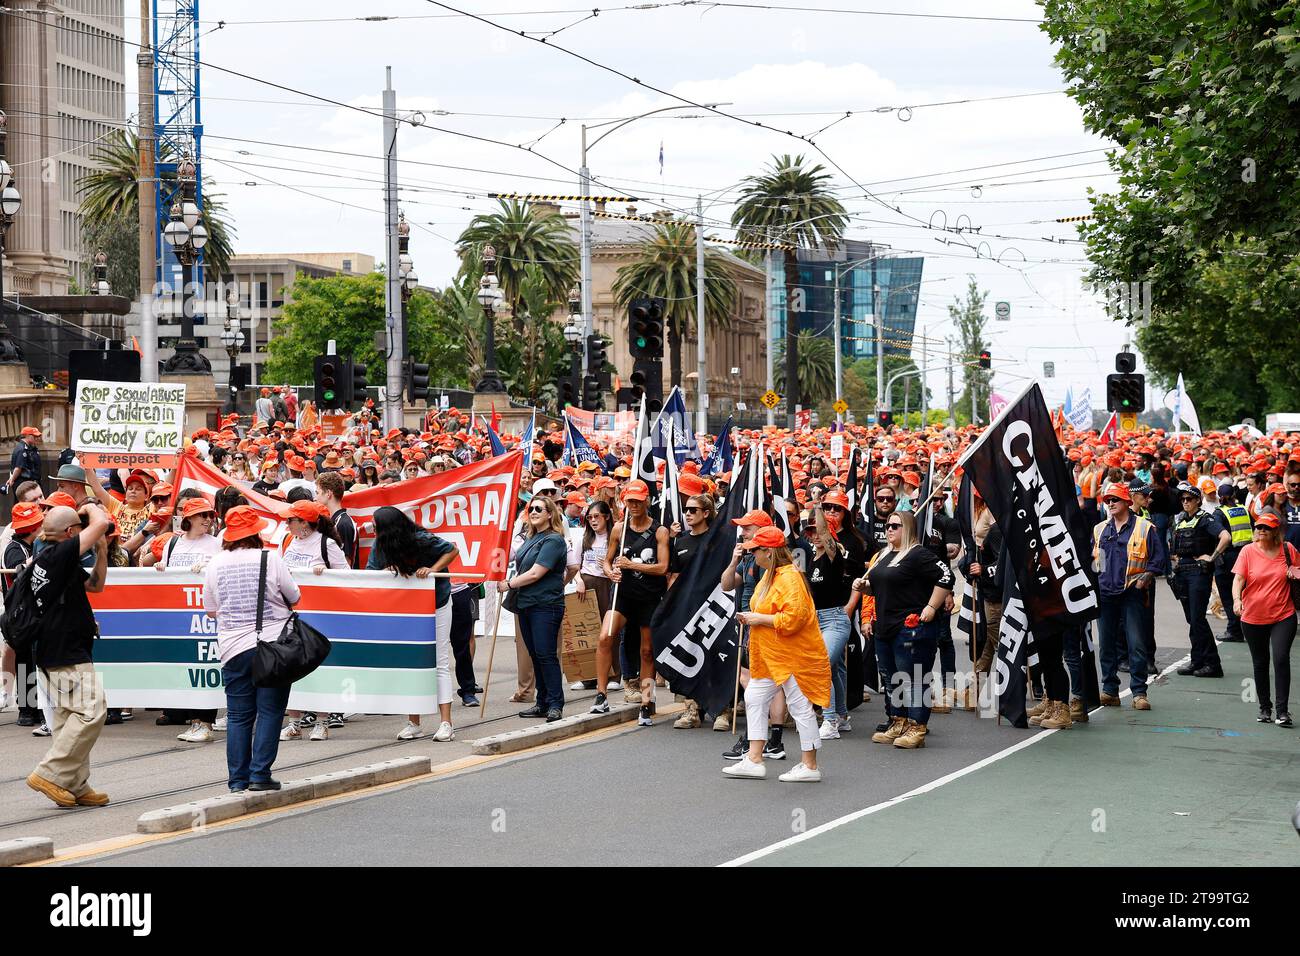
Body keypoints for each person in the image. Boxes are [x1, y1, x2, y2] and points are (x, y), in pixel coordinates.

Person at [203, 506, 300, 792]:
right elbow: (295, 595)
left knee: (238, 715)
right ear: (256, 532)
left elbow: (210, 611)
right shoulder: (270, 558)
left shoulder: (216, 562)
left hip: (232, 647)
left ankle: (237, 780)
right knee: (270, 711)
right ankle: (260, 775)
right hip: (272, 645)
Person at [724, 526, 830, 782]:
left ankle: (810, 765)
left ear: (769, 552)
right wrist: (754, 618)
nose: (752, 556)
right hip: (771, 656)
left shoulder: (789, 577)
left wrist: (757, 618)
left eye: (755, 551)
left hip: (793, 655)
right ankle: (754, 758)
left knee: (800, 706)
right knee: (754, 697)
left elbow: (794, 618)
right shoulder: (772, 575)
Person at [25, 504, 113, 808]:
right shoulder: (58, 554)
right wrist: (90, 507)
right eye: (79, 528)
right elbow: (102, 522)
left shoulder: (50, 558)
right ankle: (48, 773)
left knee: (68, 719)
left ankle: (75, 783)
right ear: (70, 533)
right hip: (66, 651)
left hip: (56, 651)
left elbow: (95, 586)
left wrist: (101, 551)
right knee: (93, 710)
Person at [855, 510, 956, 750]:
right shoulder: (884, 555)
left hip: (910, 627)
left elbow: (946, 576)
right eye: (888, 525)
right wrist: (865, 586)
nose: (889, 529)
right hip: (886, 626)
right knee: (892, 679)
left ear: (907, 528)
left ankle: (917, 725)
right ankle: (898, 721)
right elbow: (883, 587)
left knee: (914, 679)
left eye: (895, 526)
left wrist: (932, 606)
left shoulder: (919, 554)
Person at [367, 506, 459, 741]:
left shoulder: (421, 538)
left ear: (389, 528)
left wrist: (433, 569)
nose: (372, 527)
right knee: (411, 661)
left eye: (376, 524)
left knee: (439, 660)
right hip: (407, 608)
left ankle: (446, 723)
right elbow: (370, 572)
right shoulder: (380, 544)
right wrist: (384, 573)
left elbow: (452, 550)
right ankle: (414, 723)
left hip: (437, 602)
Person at [592, 480, 669, 725]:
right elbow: (607, 560)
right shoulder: (618, 528)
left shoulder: (660, 531)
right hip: (623, 595)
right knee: (605, 637)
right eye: (630, 501)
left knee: (647, 651)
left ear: (646, 500)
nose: (634, 505)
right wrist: (610, 572)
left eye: (638, 500)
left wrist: (630, 565)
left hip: (648, 597)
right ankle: (601, 695)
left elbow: (663, 568)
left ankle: (646, 703)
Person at [1089, 482, 1166, 717]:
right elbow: (1094, 560)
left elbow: (1158, 560)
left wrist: (1145, 578)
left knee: (1137, 644)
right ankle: (1110, 690)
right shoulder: (1100, 529)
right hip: (1106, 594)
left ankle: (1139, 693)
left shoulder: (1145, 528)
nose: (1110, 504)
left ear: (1127, 502)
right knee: (1106, 645)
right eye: (1107, 500)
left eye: (1115, 500)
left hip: (1132, 594)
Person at [277, 500, 351, 741]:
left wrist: (326, 574)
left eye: (291, 520)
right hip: (291, 616)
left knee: (321, 670)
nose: (287, 523)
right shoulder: (287, 541)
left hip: (322, 619)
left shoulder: (326, 544)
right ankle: (294, 722)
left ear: (305, 523)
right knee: (291, 669)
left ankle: (322, 722)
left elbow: (347, 578)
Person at [157, 497, 224, 742]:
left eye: (209, 516)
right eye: (202, 515)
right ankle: (194, 721)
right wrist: (161, 568)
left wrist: (207, 566)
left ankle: (206, 721)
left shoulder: (215, 544)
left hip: (204, 616)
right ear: (188, 519)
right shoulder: (172, 543)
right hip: (179, 617)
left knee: (205, 666)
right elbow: (165, 570)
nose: (207, 520)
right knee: (187, 667)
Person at [500, 495, 570, 722]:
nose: (534, 511)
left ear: (550, 513)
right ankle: (542, 702)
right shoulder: (530, 538)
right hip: (527, 604)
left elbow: (536, 573)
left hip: (546, 605)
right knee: (535, 654)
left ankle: (555, 703)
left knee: (546, 654)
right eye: (531, 508)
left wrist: (509, 584)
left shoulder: (554, 540)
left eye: (539, 508)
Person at [1232, 511, 1299, 726]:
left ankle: (1282, 711)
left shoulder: (1288, 550)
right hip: (1252, 616)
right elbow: (1239, 579)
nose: (1261, 530)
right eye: (1258, 527)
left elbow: (1299, 570)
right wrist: (1236, 600)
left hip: (1283, 614)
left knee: (1280, 658)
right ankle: (1265, 707)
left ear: (1276, 531)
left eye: (1266, 528)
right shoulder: (1247, 551)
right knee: (1260, 662)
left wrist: (1294, 573)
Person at [1170, 482, 1230, 678]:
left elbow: (1225, 537)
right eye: (1183, 499)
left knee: (1197, 619)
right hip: (1182, 573)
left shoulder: (1205, 519)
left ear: (1198, 500)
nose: (1185, 502)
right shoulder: (1180, 520)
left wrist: (1211, 557)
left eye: (1189, 499)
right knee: (1192, 619)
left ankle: (1213, 664)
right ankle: (1197, 660)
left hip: (1198, 572)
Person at [668, 493, 716, 729]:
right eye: (686, 509)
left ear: (706, 513)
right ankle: (691, 710)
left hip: (713, 608)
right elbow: (674, 576)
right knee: (686, 657)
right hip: (686, 608)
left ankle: (722, 709)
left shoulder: (717, 539)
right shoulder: (681, 541)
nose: (687, 513)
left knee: (714, 658)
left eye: (693, 510)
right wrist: (671, 605)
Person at [2, 500, 47, 732]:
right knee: (24, 660)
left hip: (32, 611)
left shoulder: (33, 546)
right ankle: (26, 709)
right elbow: (18, 577)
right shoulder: (14, 549)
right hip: (20, 614)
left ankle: (38, 706)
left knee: (34, 659)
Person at [566, 500, 616, 692]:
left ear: (607, 517)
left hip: (608, 584)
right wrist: (578, 581)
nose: (593, 521)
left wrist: (610, 566)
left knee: (609, 630)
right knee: (586, 630)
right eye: (590, 518)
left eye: (597, 517)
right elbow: (575, 566)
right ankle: (587, 676)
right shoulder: (585, 540)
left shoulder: (614, 538)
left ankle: (614, 674)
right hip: (587, 584)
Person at [1214, 482, 1253, 643]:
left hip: (1228, 556)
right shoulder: (1244, 509)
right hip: (1246, 555)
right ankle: (1246, 627)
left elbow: (1217, 536)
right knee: (1243, 593)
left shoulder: (1220, 513)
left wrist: (1213, 556)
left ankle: (1234, 630)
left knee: (1228, 596)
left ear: (1220, 497)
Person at [4, 425, 43, 499]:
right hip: (23, 482)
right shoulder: (22, 449)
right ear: (27, 436)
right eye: (35, 436)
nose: (37, 438)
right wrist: (12, 480)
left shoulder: (30, 448)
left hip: (30, 482)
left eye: (37, 436)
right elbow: (18, 468)